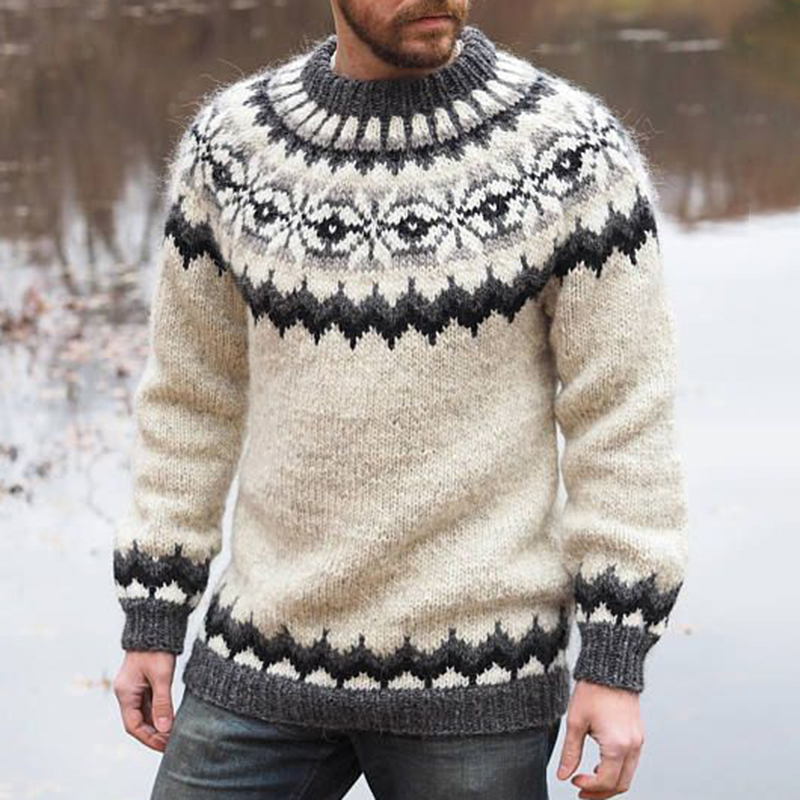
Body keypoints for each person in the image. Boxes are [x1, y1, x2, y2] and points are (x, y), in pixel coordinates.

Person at [111, 1, 689, 798]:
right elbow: (189, 397)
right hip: (258, 658)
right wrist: (154, 611)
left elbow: (622, 414)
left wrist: (614, 660)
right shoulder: (234, 148)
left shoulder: (570, 152)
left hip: (479, 676)